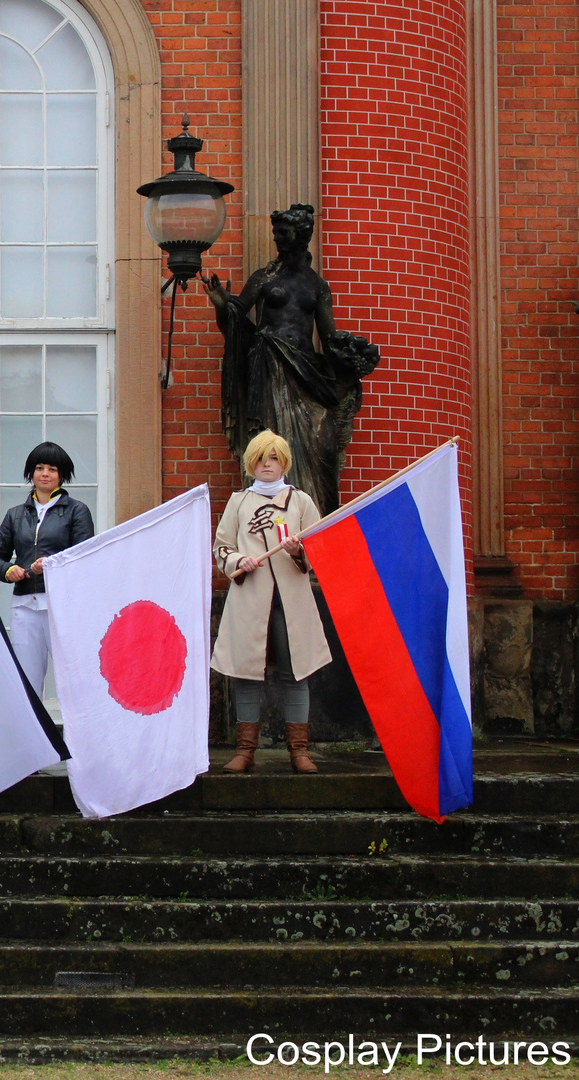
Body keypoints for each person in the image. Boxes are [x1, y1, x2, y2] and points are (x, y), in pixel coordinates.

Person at [202, 203, 379, 515]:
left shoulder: (317, 286)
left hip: (306, 372)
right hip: (268, 367)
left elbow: (329, 337)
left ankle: (315, 519)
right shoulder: (264, 278)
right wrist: (221, 303)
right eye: (276, 233)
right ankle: (271, 511)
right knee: (269, 442)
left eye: (284, 233)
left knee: (322, 444)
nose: (278, 239)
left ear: (301, 236)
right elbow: (236, 316)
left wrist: (354, 356)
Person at [211, 429, 332, 774]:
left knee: (295, 674)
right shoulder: (239, 502)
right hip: (250, 599)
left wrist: (299, 551)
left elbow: (320, 548)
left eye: (274, 458)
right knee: (247, 673)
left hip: (291, 601)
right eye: (262, 458)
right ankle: (244, 750)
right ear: (252, 463)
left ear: (284, 464)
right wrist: (238, 562)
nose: (268, 465)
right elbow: (221, 548)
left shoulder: (301, 502)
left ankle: (300, 751)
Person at [0, 442, 94, 698]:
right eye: (39, 468)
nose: (45, 473)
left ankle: (75, 738)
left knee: (74, 678)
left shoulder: (77, 511)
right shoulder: (15, 515)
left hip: (61, 605)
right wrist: (9, 569)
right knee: (27, 680)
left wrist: (51, 566)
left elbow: (84, 558)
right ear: (31, 473)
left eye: (52, 469)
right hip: (24, 606)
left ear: (62, 475)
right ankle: (32, 738)